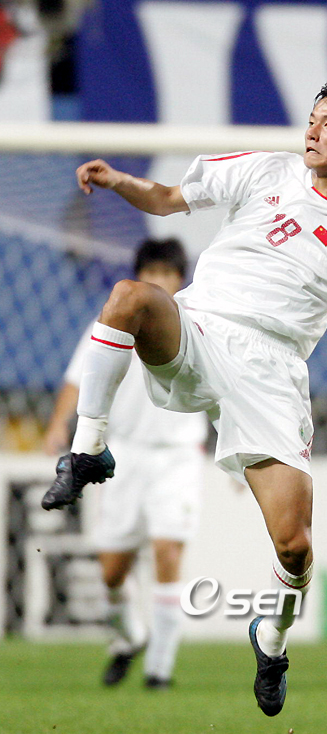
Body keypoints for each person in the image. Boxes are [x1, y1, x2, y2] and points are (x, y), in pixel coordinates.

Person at [42, 78, 327, 716]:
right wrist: (120, 181)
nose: (313, 131)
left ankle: (272, 639)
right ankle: (89, 450)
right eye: (312, 119)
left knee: (294, 544)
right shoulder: (267, 171)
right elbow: (169, 198)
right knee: (127, 299)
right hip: (200, 327)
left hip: (272, 371)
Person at [44, 238, 207, 689]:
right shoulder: (115, 319)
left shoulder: (198, 323)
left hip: (178, 455)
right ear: (139, 277)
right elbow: (78, 379)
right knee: (113, 571)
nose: (159, 281)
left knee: (168, 552)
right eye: (151, 273)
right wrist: (58, 425)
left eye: (167, 274)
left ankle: (160, 670)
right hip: (124, 455)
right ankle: (130, 637)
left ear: (180, 279)